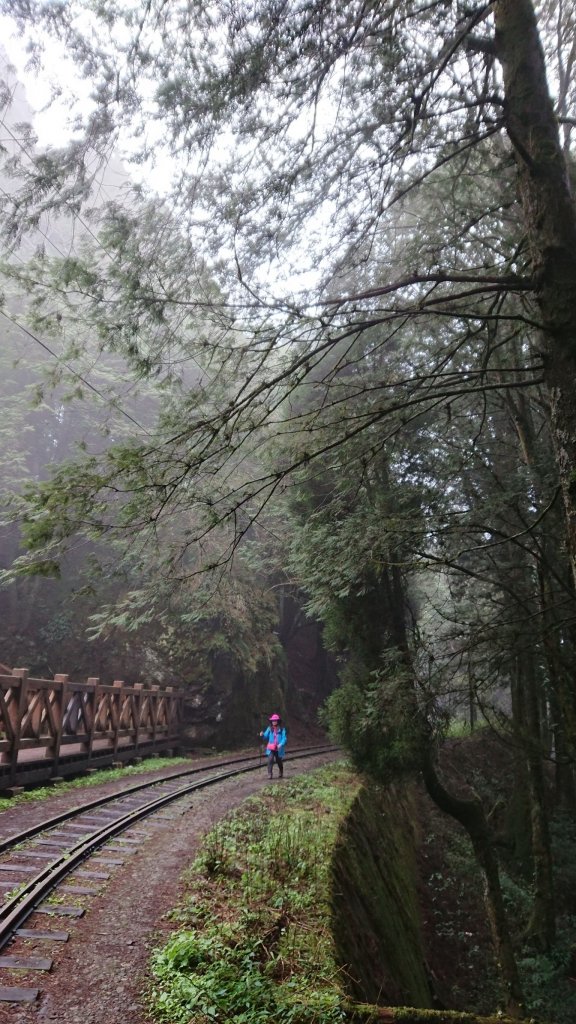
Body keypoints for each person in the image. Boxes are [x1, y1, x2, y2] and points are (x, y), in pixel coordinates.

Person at [260, 713, 287, 779]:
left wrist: (280, 744)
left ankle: (281, 771)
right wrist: (262, 735)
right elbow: (265, 736)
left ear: (278, 721)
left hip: (278, 748)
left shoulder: (282, 729)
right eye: (272, 720)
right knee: (270, 759)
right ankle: (270, 774)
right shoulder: (269, 728)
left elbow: (284, 738)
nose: (273, 722)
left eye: (275, 720)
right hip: (271, 748)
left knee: (279, 761)